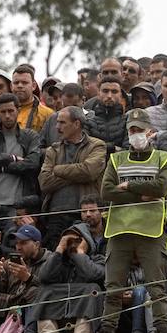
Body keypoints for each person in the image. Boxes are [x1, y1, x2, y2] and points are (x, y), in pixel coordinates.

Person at [92, 109, 167, 333]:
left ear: (150, 132)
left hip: (151, 231)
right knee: (113, 291)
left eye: (141, 130)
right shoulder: (116, 159)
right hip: (119, 231)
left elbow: (161, 188)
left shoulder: (165, 158)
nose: (137, 134)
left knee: (157, 289)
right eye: (132, 130)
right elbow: (106, 192)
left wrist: (128, 186)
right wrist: (142, 194)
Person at [38, 105, 107, 247]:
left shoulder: (96, 145)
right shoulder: (53, 150)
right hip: (56, 215)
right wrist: (76, 172)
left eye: (62, 122)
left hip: (85, 213)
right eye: (57, 122)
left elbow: (89, 172)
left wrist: (57, 170)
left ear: (77, 124)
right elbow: (44, 182)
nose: (57, 127)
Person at [35, 224, 106, 333]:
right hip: (60, 323)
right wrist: (59, 249)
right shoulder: (59, 262)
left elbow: (92, 274)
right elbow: (43, 277)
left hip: (85, 328)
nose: (72, 244)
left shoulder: (98, 259)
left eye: (78, 240)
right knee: (45, 290)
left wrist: (80, 253)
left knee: (93, 290)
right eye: (69, 241)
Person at [0, 92, 42, 223]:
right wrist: (12, 157)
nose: (7, 116)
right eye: (3, 111)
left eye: (11, 111)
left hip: (15, 205)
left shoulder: (30, 136)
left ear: (18, 110)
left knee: (12, 242)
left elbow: (33, 163)